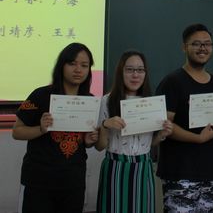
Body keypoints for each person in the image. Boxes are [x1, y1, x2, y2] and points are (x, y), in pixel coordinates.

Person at [156, 23, 213, 213]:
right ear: (184, 47)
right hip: (179, 172)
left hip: (209, 173)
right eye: (196, 44)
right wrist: (197, 138)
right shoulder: (172, 82)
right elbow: (165, 126)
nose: (202, 48)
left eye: (207, 44)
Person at [13, 43, 99, 213]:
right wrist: (40, 129)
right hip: (38, 182)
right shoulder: (40, 95)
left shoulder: (89, 101)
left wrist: (88, 141)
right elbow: (17, 132)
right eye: (72, 63)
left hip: (73, 182)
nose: (78, 70)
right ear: (62, 65)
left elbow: (84, 142)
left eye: (84, 65)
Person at [95, 50, 173, 213]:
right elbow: (100, 146)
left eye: (140, 70)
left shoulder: (151, 103)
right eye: (129, 70)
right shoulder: (107, 100)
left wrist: (161, 134)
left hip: (143, 168)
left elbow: (150, 143)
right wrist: (105, 125)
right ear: (121, 72)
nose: (135, 75)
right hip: (115, 167)